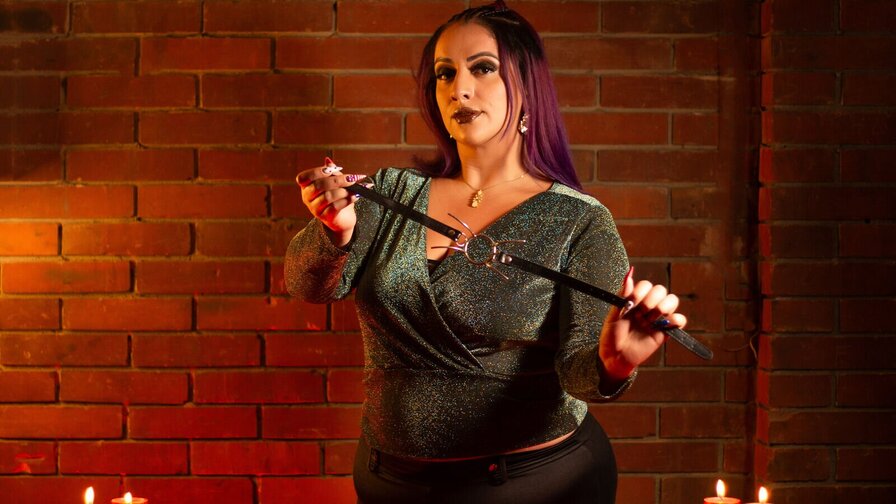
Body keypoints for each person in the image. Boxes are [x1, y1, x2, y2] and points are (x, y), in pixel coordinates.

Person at [285, 2, 686, 503]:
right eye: (445, 74)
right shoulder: (390, 193)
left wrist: (613, 363)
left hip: (535, 485)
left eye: (482, 68)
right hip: (390, 482)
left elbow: (581, 377)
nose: (460, 89)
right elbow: (307, 285)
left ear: (527, 85)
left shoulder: (579, 220)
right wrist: (335, 231)